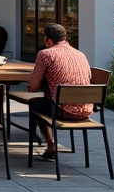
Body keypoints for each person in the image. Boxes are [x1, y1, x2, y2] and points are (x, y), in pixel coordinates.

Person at [27, 23, 92, 161]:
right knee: (48, 99)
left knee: (34, 104)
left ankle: (51, 145)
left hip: (63, 110)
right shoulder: (81, 54)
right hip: (86, 109)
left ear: (48, 39)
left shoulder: (45, 54)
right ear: (65, 37)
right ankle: (50, 145)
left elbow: (33, 86)